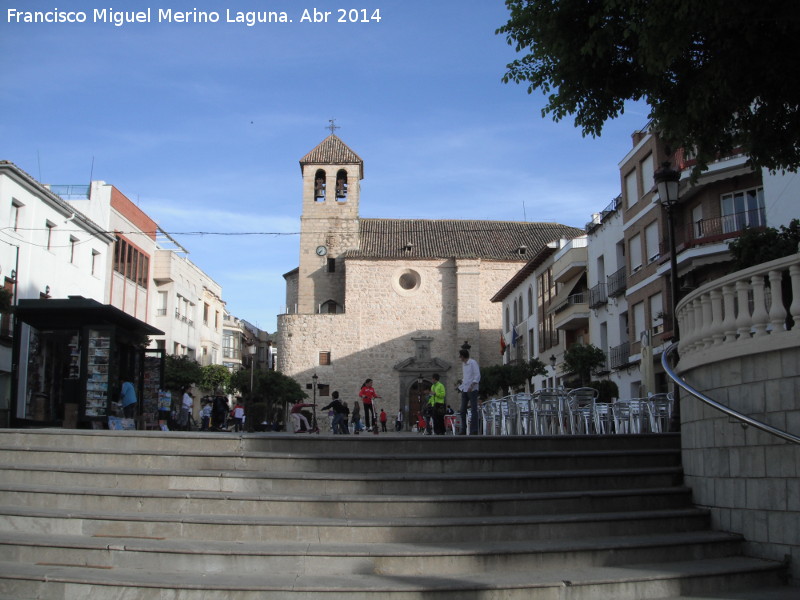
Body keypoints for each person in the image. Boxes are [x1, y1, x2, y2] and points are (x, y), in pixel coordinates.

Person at [458, 349, 481, 435]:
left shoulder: (472, 363)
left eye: (460, 356)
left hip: (472, 389)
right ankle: (463, 429)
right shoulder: (463, 364)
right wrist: (462, 384)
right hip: (465, 389)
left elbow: (477, 375)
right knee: (462, 410)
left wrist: (472, 385)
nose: (460, 358)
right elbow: (466, 376)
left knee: (473, 409)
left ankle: (474, 430)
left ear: (463, 356)